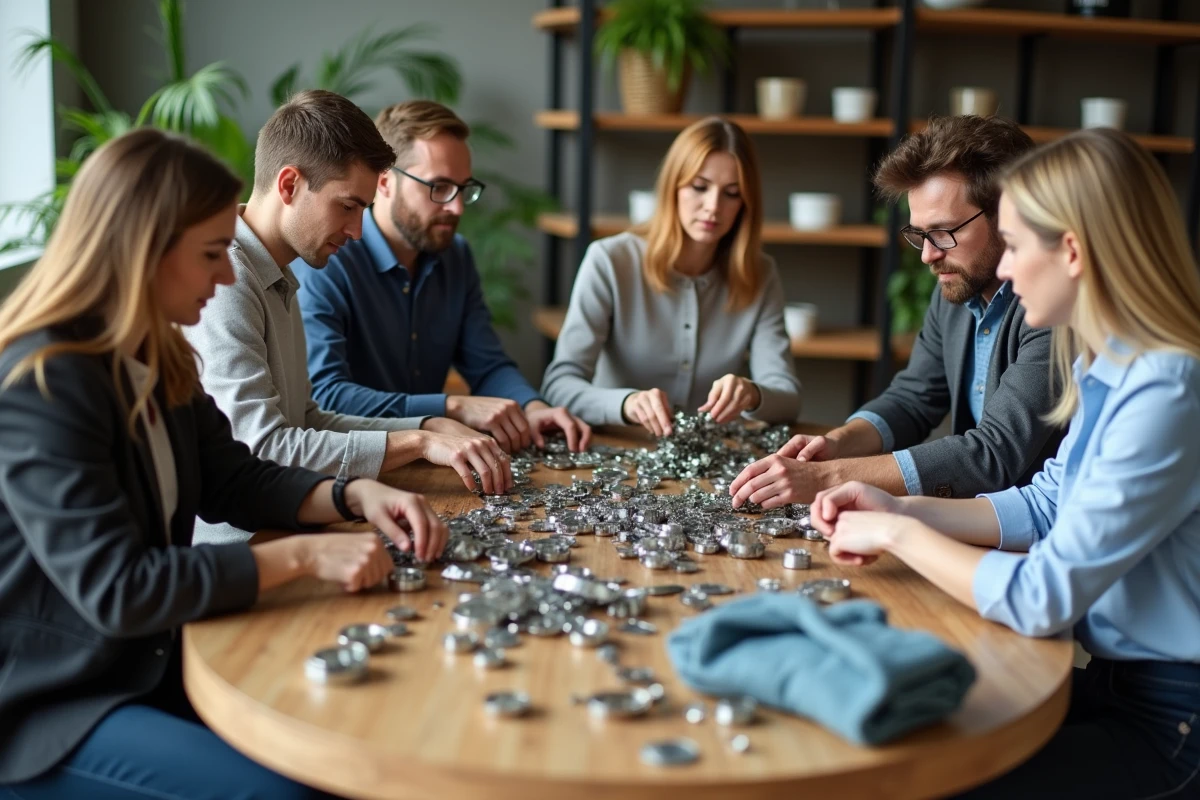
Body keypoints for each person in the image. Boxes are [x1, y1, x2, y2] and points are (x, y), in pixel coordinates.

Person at [0, 128, 448, 799]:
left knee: (341, 742)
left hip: (144, 661)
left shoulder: (157, 354)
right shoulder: (43, 384)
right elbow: (120, 589)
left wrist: (355, 496)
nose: (227, 272)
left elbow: (234, 479)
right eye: (212, 252)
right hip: (54, 702)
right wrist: (302, 557)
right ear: (142, 250)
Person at [811, 129, 1200, 798]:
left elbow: (1041, 596)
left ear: (1072, 251)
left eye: (1017, 245)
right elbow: (1047, 502)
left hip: (1172, 721)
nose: (1010, 271)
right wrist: (898, 505)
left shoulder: (1170, 388)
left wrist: (901, 533)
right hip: (1115, 682)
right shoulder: (1109, 363)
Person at [184, 90, 511, 545]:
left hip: (289, 525)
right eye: (348, 206)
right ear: (289, 185)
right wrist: (416, 443)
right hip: (241, 550)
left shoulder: (277, 272)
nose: (357, 231)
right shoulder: (227, 281)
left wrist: (424, 425)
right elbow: (262, 450)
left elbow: (307, 420)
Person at [731, 115, 1063, 509]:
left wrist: (826, 477)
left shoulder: (1054, 306)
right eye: (919, 234)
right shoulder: (956, 286)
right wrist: (838, 442)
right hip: (973, 521)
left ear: (1008, 215)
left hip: (1035, 536)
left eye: (943, 232)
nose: (928, 255)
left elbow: (992, 455)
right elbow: (913, 399)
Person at [294, 100, 591, 453]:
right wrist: (452, 405)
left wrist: (533, 408)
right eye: (439, 187)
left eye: (464, 188)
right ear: (385, 182)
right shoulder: (330, 257)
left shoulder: (456, 257)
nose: (457, 207)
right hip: (356, 464)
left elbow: (487, 364)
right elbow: (326, 395)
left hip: (439, 457)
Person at [541, 116, 802, 435]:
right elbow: (559, 386)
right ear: (672, 187)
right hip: (617, 455)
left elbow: (789, 398)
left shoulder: (760, 273)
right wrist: (626, 404)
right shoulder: (610, 260)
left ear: (745, 204)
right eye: (699, 187)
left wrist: (753, 393)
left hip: (711, 462)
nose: (713, 206)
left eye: (731, 193)